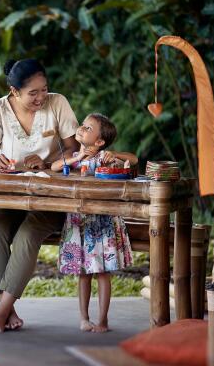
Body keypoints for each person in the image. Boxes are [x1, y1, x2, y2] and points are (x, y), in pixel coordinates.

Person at [0, 59, 79, 333]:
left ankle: (1, 312)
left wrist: (48, 164)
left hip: (51, 195)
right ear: (14, 91)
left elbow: (74, 150)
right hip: (11, 193)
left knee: (28, 234)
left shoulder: (58, 103)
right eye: (32, 93)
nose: (40, 97)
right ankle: (8, 308)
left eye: (44, 89)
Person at [51, 113, 137, 333]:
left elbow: (133, 159)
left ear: (99, 142)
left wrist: (112, 155)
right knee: (83, 273)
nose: (81, 128)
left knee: (103, 272)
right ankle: (84, 318)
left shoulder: (103, 158)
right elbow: (54, 167)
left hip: (103, 221)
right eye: (83, 125)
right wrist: (77, 158)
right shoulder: (73, 157)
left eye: (88, 128)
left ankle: (103, 320)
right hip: (80, 220)